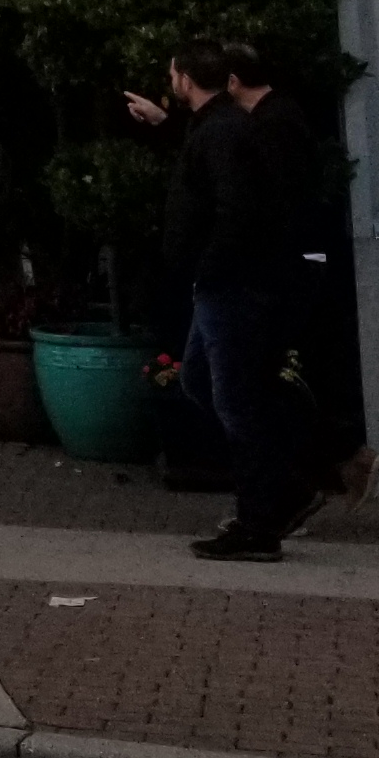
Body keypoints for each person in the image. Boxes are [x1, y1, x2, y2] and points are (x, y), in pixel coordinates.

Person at [129, 37, 323, 560]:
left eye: (172, 74)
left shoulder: (222, 131)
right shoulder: (220, 126)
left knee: (236, 401)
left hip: (234, 286)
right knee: (200, 380)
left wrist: (210, 268)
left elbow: (236, 209)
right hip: (230, 283)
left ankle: (259, 523)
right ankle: (283, 492)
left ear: (185, 79)